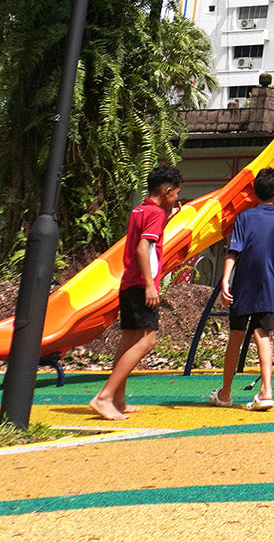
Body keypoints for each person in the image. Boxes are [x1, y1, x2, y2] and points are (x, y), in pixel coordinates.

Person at [211, 168, 274, 411]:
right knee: (263, 334)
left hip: (243, 285)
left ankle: (225, 393)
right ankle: (266, 390)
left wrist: (225, 280)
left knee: (235, 336)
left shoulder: (244, 218)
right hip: (269, 286)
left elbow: (233, 251)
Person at [88, 166, 183, 420]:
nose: (175, 200)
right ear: (167, 191)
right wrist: (151, 284)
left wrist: (168, 217)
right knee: (148, 340)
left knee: (129, 339)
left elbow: (147, 240)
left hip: (128, 283)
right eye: (174, 195)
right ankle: (104, 396)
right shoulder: (156, 214)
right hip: (142, 285)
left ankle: (118, 398)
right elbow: (144, 248)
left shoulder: (140, 210)